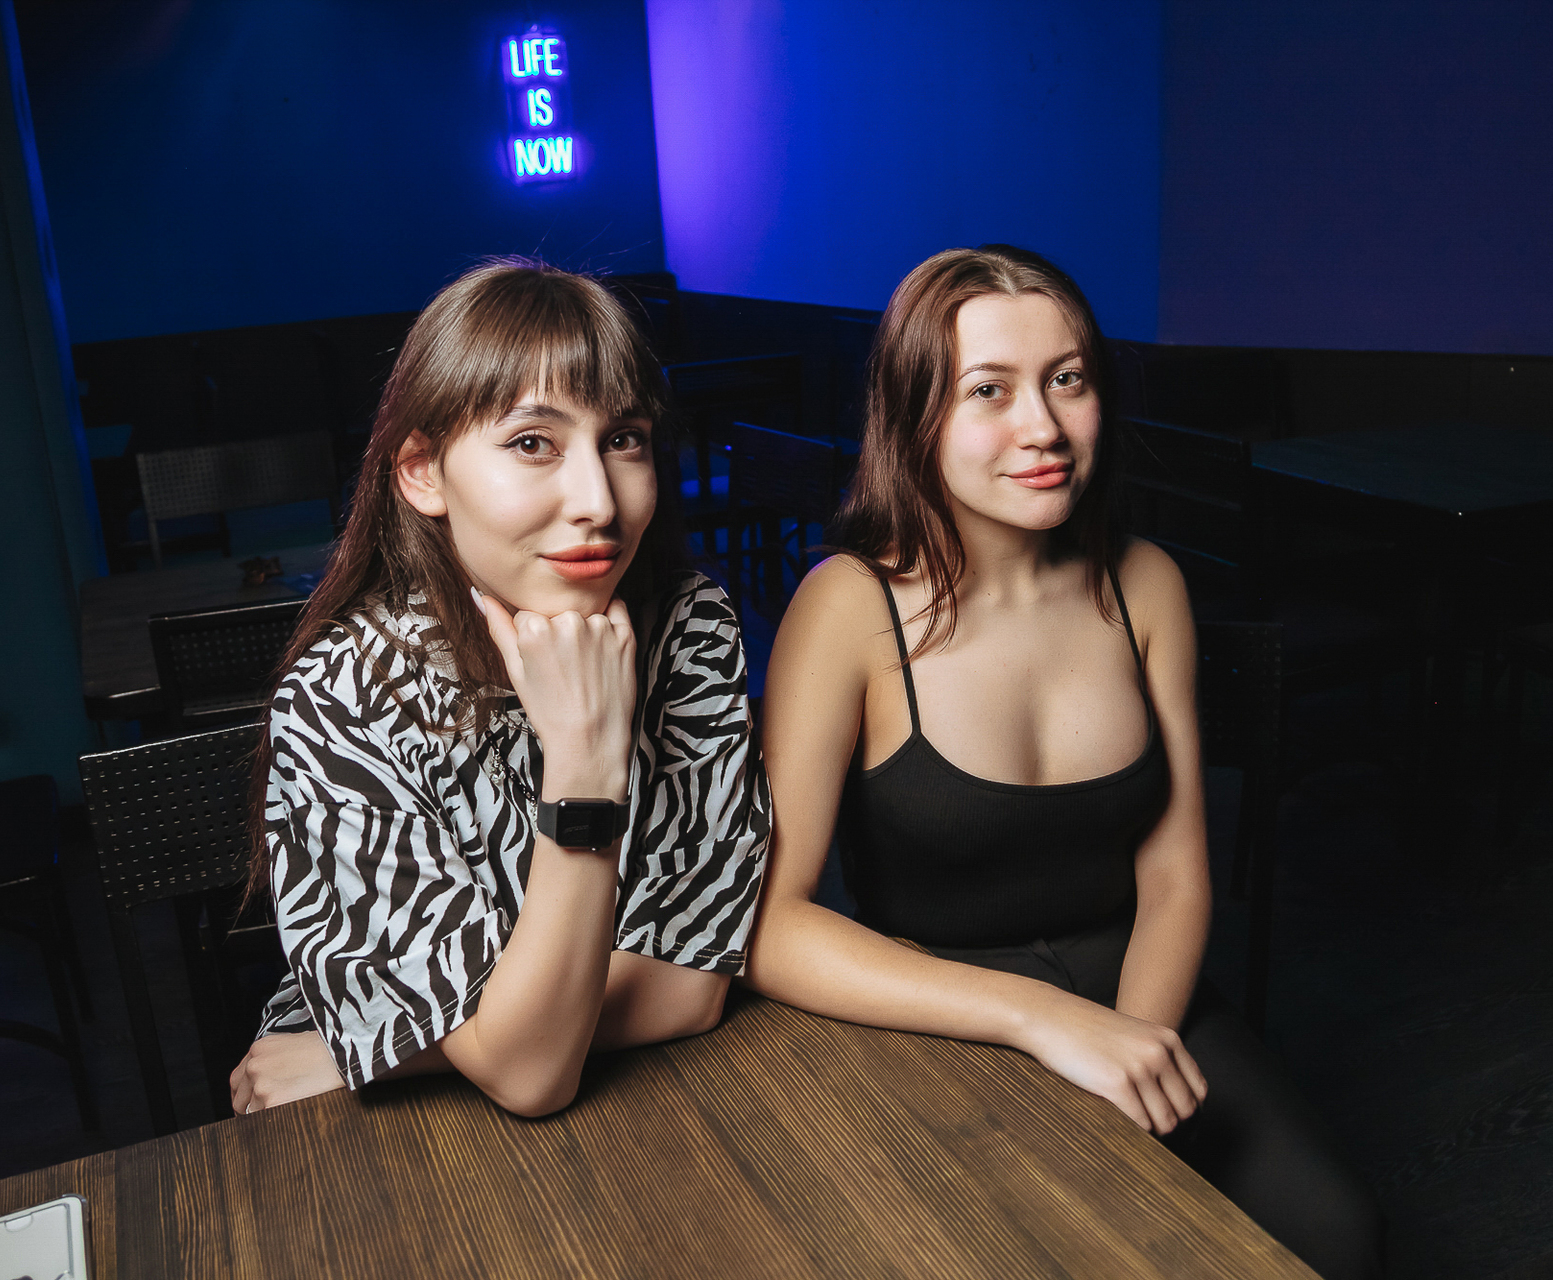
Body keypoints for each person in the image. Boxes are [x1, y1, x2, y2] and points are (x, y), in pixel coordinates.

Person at [746, 246, 1382, 1278]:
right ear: (914, 416)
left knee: (1338, 1234)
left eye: (1067, 379)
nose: (1042, 426)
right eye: (988, 390)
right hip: (936, 1010)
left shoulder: (1147, 582)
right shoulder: (847, 605)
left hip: (1142, 986)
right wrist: (1046, 1021)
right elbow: (773, 925)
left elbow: (1176, 878)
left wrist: (1128, 1046)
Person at [229, 259, 769, 1119]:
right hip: (394, 1142)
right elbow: (532, 1078)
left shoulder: (690, 624)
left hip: (634, 1105)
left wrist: (406, 1054)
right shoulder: (347, 693)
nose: (598, 502)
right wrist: (586, 768)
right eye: (532, 443)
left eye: (623, 439)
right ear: (422, 472)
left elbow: (694, 984)